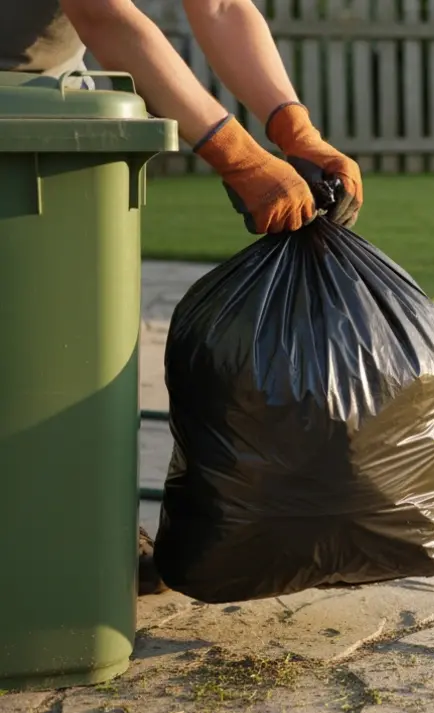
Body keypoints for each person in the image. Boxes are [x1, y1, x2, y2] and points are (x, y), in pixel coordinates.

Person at [2, 0, 365, 594]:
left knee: (65, 350)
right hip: (19, 107)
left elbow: (220, 6)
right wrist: (238, 155)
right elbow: (103, 15)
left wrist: (293, 128)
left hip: (53, 97)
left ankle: (76, 533)